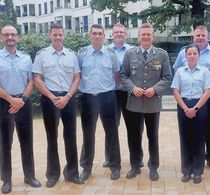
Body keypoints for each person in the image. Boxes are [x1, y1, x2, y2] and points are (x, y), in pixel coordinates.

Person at [33, 23, 83, 187]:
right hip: (49, 99)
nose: (58, 37)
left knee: (71, 137)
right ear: (50, 35)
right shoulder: (42, 55)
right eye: (55, 35)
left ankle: (72, 173)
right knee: (51, 137)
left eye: (60, 35)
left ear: (64, 36)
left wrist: (67, 96)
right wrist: (52, 97)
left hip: (68, 99)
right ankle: (53, 175)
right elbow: (37, 79)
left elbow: (77, 77)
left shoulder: (71, 55)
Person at [120, 23, 172, 181]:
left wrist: (155, 89)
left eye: (148, 34)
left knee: (153, 137)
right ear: (138, 36)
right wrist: (132, 88)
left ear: (153, 36)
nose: (146, 37)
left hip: (152, 104)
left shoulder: (161, 55)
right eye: (143, 34)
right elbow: (124, 75)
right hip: (134, 103)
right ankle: (135, 166)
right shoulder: (130, 54)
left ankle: (153, 167)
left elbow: (167, 77)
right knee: (134, 136)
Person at [0, 25, 41, 193]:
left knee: (27, 141)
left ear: (18, 38)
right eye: (6, 35)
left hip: (24, 102)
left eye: (13, 34)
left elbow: (31, 80)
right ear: (1, 37)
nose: (10, 37)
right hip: (3, 103)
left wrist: (22, 99)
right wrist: (11, 100)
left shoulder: (26, 58)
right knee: (4, 143)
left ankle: (29, 175)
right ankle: (7, 179)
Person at [173, 25, 210, 172]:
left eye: (203, 35)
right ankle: (187, 167)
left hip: (208, 98)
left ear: (207, 36)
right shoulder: (182, 53)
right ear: (193, 37)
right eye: (197, 35)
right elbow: (177, 74)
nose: (200, 37)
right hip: (186, 99)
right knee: (188, 134)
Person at [78, 24, 121, 181]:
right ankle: (86, 168)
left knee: (112, 133)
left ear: (104, 36)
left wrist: (107, 90)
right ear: (90, 35)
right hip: (88, 98)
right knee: (88, 134)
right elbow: (78, 75)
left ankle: (115, 166)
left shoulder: (111, 54)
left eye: (100, 34)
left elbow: (116, 77)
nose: (97, 36)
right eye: (94, 33)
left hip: (107, 97)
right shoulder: (82, 54)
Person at [103, 23, 144, 168]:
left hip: (129, 93)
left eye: (121, 32)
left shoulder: (133, 51)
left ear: (125, 34)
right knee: (111, 126)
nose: (119, 34)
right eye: (116, 32)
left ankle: (137, 157)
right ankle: (109, 157)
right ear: (111, 34)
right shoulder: (106, 51)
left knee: (135, 127)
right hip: (112, 93)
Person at [171, 44, 210, 184]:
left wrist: (195, 108)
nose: (192, 56)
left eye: (195, 53)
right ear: (185, 56)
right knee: (185, 139)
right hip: (183, 106)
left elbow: (207, 91)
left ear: (199, 56)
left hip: (199, 107)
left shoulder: (205, 71)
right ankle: (186, 171)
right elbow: (175, 91)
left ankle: (197, 171)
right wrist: (185, 108)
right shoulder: (180, 72)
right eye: (189, 53)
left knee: (199, 140)